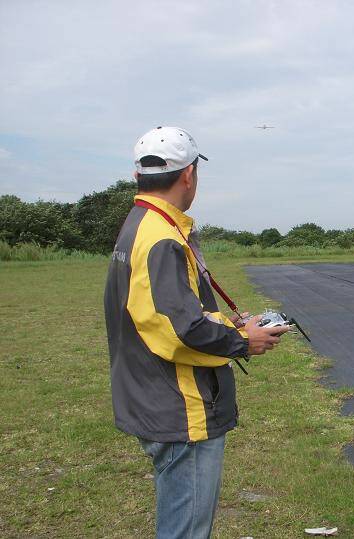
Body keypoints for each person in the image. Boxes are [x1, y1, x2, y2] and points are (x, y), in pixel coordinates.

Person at [104, 126, 288, 538]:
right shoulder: (161, 237)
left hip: (152, 395)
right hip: (178, 405)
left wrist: (232, 324)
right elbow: (177, 329)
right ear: (189, 175)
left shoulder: (139, 225)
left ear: (138, 177)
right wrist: (244, 341)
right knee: (186, 528)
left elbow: (159, 314)